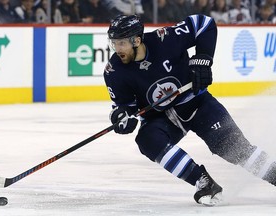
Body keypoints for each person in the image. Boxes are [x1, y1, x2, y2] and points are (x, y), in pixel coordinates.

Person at [103, 14, 276, 206]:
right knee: (147, 140)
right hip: (162, 119)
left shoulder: (165, 39)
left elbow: (203, 23)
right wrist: (123, 118)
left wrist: (203, 59)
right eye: (114, 43)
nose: (117, 49)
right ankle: (203, 182)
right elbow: (125, 107)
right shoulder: (114, 71)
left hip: (197, 104)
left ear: (136, 40)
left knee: (236, 149)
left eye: (121, 44)